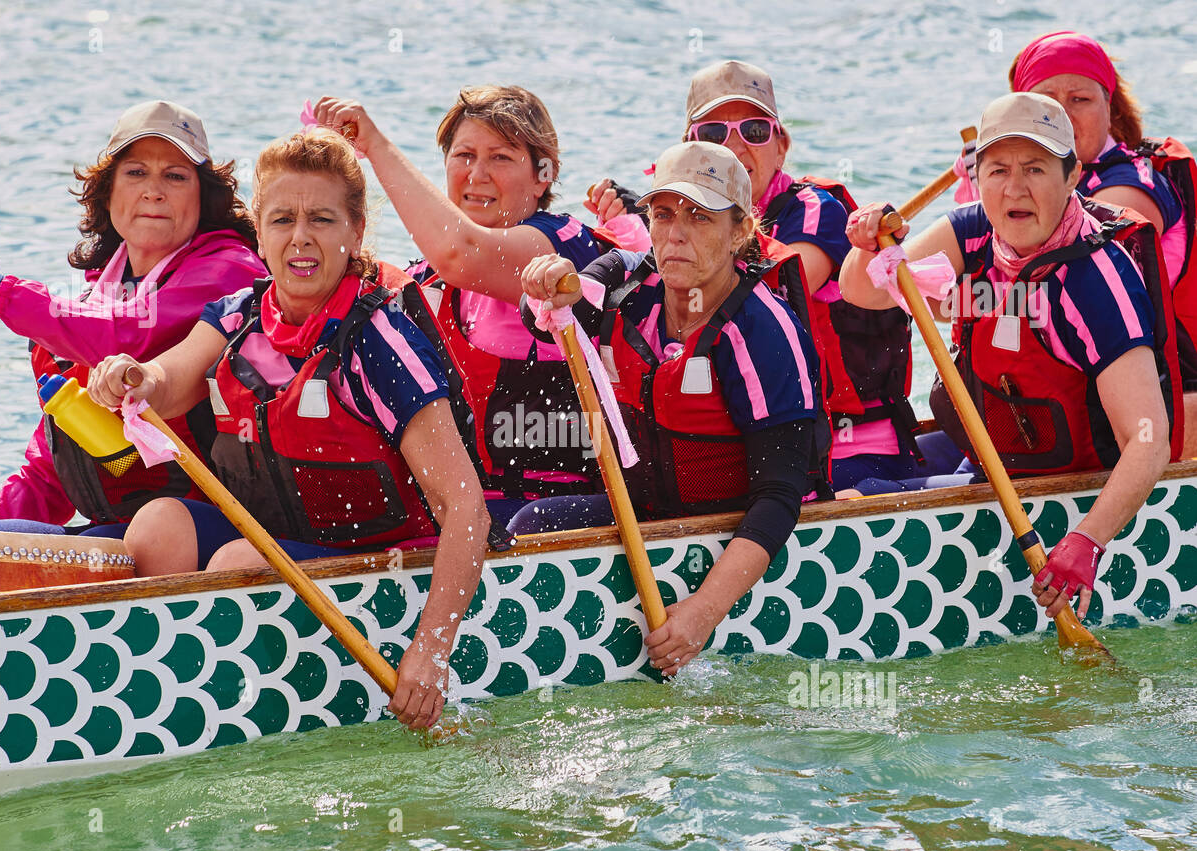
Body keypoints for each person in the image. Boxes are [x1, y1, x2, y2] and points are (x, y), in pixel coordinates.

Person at [85, 128, 490, 730]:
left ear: (355, 233)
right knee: (159, 524)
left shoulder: (379, 343)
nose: (300, 238)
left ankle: (205, 707)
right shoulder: (238, 315)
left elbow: (467, 511)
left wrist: (431, 650)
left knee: (232, 563)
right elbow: (169, 380)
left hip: (384, 561)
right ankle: (145, 695)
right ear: (260, 234)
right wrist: (134, 377)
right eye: (281, 220)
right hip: (284, 536)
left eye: (321, 220)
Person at [840, 93, 1182, 622]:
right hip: (995, 463)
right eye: (997, 170)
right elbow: (863, 292)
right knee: (848, 483)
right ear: (978, 179)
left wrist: (1086, 543)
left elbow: (1149, 441)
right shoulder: (971, 232)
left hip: (1072, 497)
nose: (1014, 188)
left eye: (1036, 168)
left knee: (859, 498)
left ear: (1071, 178)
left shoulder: (1096, 284)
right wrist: (867, 245)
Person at [519, 142, 828, 677]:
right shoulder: (625, 284)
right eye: (663, 215)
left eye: (700, 218)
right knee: (534, 523)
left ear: (740, 233)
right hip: (655, 521)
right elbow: (542, 314)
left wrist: (703, 614)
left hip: (746, 533)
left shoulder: (762, 332)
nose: (675, 234)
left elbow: (780, 497)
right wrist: (542, 283)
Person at [0, 100, 267, 533]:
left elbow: (124, 334)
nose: (154, 190)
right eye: (135, 172)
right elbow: (46, 476)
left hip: (213, 531)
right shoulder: (82, 311)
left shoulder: (232, 272)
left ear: (204, 198)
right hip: (120, 533)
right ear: (107, 192)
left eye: (175, 175)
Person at [587, 60, 927, 491]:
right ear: (691, 150)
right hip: (744, 449)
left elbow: (767, 287)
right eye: (713, 134)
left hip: (851, 454)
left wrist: (644, 232)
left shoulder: (815, 211)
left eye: (753, 131)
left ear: (780, 146)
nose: (734, 148)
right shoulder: (670, 227)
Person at [310, 86, 612, 524]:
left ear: (543, 174)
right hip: (467, 510)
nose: (477, 174)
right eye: (464, 155)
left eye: (501, 157)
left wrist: (372, 144)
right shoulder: (425, 281)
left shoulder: (567, 247)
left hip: (562, 508)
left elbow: (464, 254)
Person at [1004, 31, 1197, 454]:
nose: (1064, 117)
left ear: (1109, 109)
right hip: (1064, 403)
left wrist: (994, 180)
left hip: (1163, 410)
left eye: (1080, 99)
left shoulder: (1132, 187)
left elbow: (1059, 239)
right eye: (1046, 102)